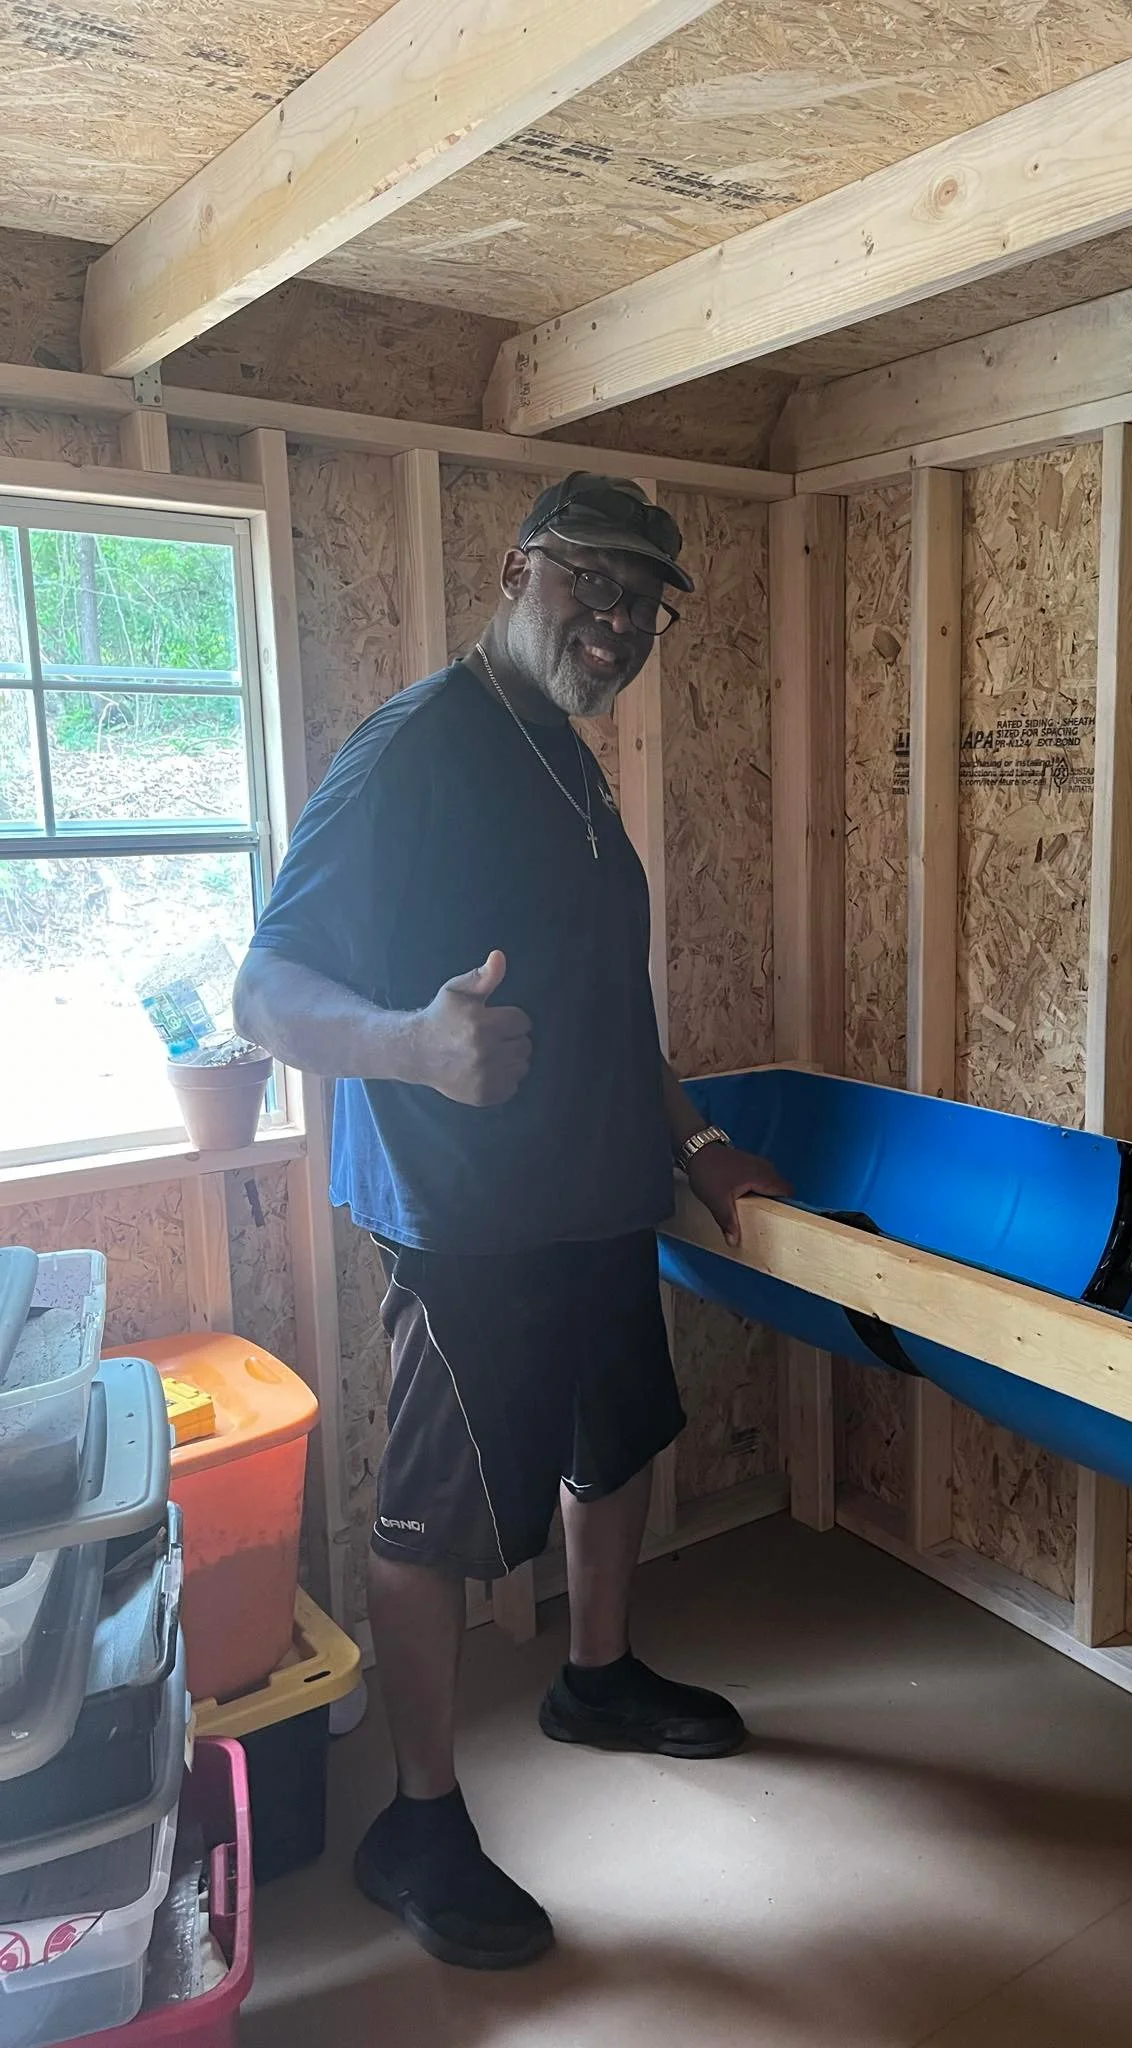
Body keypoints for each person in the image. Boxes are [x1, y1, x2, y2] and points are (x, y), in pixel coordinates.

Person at [234, 472, 790, 1972]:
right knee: (432, 1519)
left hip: (605, 1193)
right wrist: (414, 1045)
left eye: (643, 605)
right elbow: (263, 989)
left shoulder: (569, 760)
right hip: (467, 1217)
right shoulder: (413, 751)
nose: (615, 626)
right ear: (513, 568)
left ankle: (595, 1678)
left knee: (610, 1453)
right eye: (591, 586)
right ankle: (418, 1820)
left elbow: (617, 1011)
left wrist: (704, 1143)